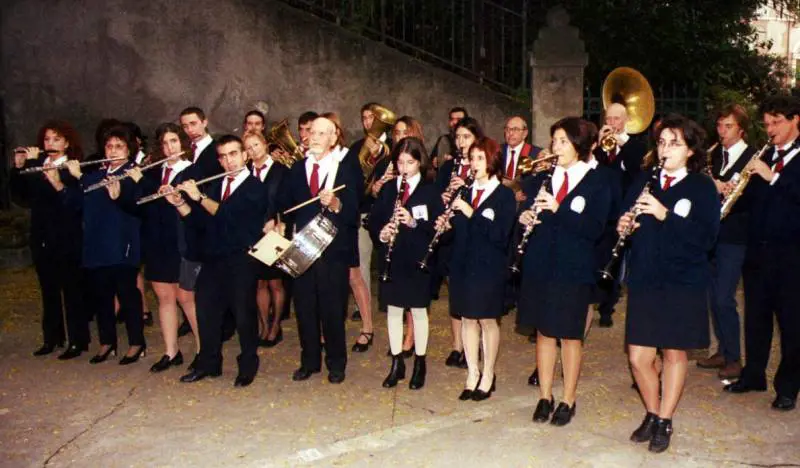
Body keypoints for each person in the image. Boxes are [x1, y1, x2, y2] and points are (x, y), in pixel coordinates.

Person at [619, 114, 719, 452]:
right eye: (662, 143)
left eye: (674, 144)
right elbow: (626, 216)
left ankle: (664, 419)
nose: (665, 149)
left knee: (674, 352)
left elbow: (706, 239)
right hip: (646, 277)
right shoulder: (645, 180)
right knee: (638, 357)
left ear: (690, 150)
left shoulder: (701, 187)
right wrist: (624, 225)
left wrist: (666, 215)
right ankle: (652, 410)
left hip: (682, 281)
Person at [517, 117, 611, 426]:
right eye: (554, 141)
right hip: (541, 263)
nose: (555, 147)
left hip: (574, 267)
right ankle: (545, 396)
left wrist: (559, 209)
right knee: (544, 333)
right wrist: (526, 216)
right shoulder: (543, 179)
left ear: (579, 145)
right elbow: (526, 211)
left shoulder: (597, 182)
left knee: (570, 336)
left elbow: (594, 229)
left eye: (563, 142)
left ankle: (568, 398)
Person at [169, 135, 271, 387]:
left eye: (233, 154)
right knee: (206, 313)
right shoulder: (215, 186)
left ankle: (247, 365)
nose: (229, 161)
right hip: (213, 259)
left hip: (241, 260)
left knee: (243, 315)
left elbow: (229, 217)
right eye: (223, 157)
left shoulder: (256, 188)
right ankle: (209, 363)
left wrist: (199, 198)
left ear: (245, 155)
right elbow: (201, 223)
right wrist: (180, 204)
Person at [268, 116, 359, 384]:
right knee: (305, 307)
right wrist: (278, 220)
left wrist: (336, 204)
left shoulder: (345, 167)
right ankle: (309, 361)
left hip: (333, 250)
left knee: (333, 309)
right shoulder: (297, 168)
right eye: (311, 133)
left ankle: (336, 363)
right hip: (303, 248)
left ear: (333, 138)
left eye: (321, 133)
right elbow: (285, 204)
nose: (314, 138)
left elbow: (354, 210)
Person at [724, 95, 800, 412]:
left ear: (796, 120)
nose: (770, 130)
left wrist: (773, 177)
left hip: (791, 255)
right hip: (757, 251)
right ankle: (753, 375)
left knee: (792, 323)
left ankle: (788, 387)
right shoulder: (766, 154)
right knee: (756, 317)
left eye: (777, 122)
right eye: (767, 123)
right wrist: (734, 192)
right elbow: (754, 198)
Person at [47, 125, 147, 365]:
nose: (113, 151)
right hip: (96, 245)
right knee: (102, 296)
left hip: (123, 245)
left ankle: (136, 342)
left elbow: (137, 205)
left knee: (128, 296)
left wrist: (82, 178)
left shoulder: (133, 173)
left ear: (129, 149)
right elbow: (77, 205)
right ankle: (107, 342)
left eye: (119, 146)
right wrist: (59, 185)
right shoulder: (95, 176)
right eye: (109, 146)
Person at [435, 136, 515, 401]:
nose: (474, 163)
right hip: (463, 265)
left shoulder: (504, 196)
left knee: (487, 320)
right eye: (472, 158)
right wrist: (445, 227)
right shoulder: (465, 192)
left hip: (489, 267)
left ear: (492, 161)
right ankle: (472, 373)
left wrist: (471, 213)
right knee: (468, 319)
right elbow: (459, 232)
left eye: (480, 158)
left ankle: (488, 374)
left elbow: (499, 235)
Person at [124, 123, 200, 372]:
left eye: (174, 141)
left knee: (186, 298)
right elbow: (141, 206)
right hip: (156, 242)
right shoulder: (155, 172)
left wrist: (144, 183)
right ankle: (171, 351)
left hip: (180, 242)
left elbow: (187, 208)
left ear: (182, 143)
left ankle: (203, 351)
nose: (170, 148)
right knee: (164, 298)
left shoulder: (192, 171)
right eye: (165, 143)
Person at [10, 120, 88, 359]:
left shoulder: (72, 168)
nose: (50, 144)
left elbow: (67, 201)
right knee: (48, 289)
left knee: (72, 290)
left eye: (56, 139)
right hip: (42, 236)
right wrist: (19, 168)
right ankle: (52, 338)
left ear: (66, 143)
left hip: (67, 237)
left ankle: (78, 340)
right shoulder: (37, 166)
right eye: (46, 139)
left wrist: (34, 166)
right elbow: (22, 198)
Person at [370, 137, 442, 389]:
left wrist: (413, 222)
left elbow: (438, 230)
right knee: (393, 310)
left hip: (418, 259)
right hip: (393, 258)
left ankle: (420, 362)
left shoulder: (430, 191)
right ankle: (396, 361)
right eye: (400, 162)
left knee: (419, 310)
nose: (404, 168)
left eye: (409, 163)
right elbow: (375, 220)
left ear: (419, 162)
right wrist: (382, 233)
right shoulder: (389, 189)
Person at [696, 104, 754, 380]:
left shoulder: (752, 157)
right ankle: (722, 349)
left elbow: (755, 197)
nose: (722, 131)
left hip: (736, 235)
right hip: (712, 232)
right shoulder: (714, 154)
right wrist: (712, 185)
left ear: (741, 129)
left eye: (728, 126)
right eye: (719, 125)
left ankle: (734, 358)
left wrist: (730, 190)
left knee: (723, 297)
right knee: (712, 295)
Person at [436, 117, 485, 368]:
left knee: (473, 291)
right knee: (455, 291)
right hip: (451, 233)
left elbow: (487, 202)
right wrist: (444, 197)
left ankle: (474, 346)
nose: (461, 142)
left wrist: (465, 186)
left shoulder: (483, 166)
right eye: (458, 137)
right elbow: (435, 197)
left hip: (473, 233)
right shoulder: (449, 167)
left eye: (466, 137)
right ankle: (457, 345)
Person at [243, 130, 288, 347]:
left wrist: (279, 221)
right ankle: (263, 325)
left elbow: (288, 201)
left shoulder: (281, 171)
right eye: (248, 148)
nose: (253, 151)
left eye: (256, 145)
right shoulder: (245, 172)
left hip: (274, 233)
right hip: (252, 233)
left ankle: (276, 325)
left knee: (275, 282)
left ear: (265, 145)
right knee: (259, 282)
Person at [180, 106, 223, 179]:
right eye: (185, 126)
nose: (190, 130)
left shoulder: (219, 150)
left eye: (193, 124)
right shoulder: (181, 150)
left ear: (204, 122)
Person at [430, 107, 468, 171]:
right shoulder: (444, 139)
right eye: (452, 119)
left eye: (459, 119)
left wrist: (453, 159)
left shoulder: (472, 141)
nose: (454, 122)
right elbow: (431, 160)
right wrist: (435, 161)